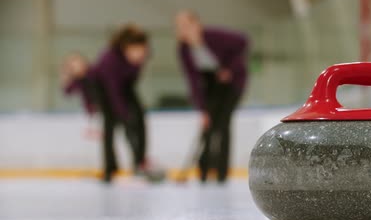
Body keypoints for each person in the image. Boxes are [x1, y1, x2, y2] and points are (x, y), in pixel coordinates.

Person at [63, 24, 154, 183]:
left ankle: (139, 162)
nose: (142, 53)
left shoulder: (140, 55)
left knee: (139, 119)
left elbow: (129, 83)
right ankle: (110, 168)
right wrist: (123, 114)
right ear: (127, 47)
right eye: (138, 50)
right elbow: (112, 90)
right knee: (112, 127)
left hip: (125, 88)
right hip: (106, 91)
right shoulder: (109, 59)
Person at [175, 10, 249, 184]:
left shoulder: (213, 36)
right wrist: (202, 109)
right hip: (209, 84)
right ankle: (204, 168)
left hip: (231, 83)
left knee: (223, 124)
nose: (183, 30)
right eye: (179, 27)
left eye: (186, 25)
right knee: (209, 126)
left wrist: (229, 67)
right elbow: (192, 80)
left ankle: (222, 172)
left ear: (196, 24)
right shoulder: (184, 49)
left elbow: (243, 41)